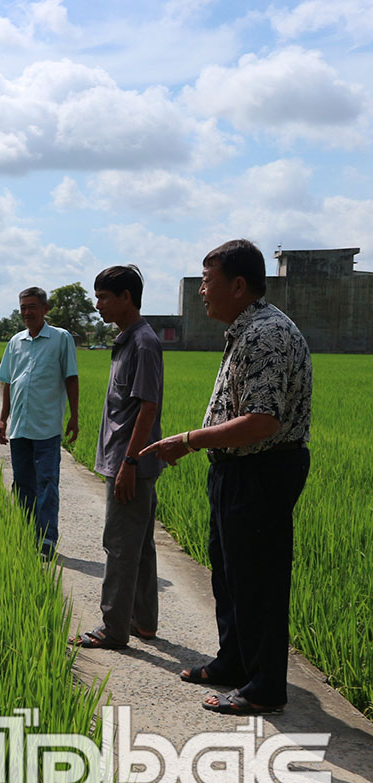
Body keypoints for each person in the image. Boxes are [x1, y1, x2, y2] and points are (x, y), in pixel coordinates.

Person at [141, 239, 312, 716]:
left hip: (262, 470)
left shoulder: (265, 335)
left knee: (257, 579)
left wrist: (188, 440)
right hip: (237, 469)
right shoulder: (245, 330)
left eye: (207, 280)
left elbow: (262, 421)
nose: (201, 290)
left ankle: (263, 688)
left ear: (238, 285)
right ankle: (233, 663)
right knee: (231, 573)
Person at [69, 265, 162, 650]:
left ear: (127, 297)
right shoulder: (127, 340)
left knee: (120, 544)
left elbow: (148, 407)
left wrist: (130, 462)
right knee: (139, 544)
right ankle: (143, 621)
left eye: (104, 296)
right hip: (125, 460)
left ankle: (113, 628)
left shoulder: (142, 342)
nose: (98, 304)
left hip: (129, 463)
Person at [0, 286, 79, 559]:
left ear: (45, 309)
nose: (27, 312)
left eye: (32, 307)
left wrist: (74, 416)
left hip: (46, 428)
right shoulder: (15, 341)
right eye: (23, 308)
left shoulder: (60, 338)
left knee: (47, 483)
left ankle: (46, 541)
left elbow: (71, 377)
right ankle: (28, 533)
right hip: (19, 427)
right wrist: (2, 419)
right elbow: (8, 381)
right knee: (22, 484)